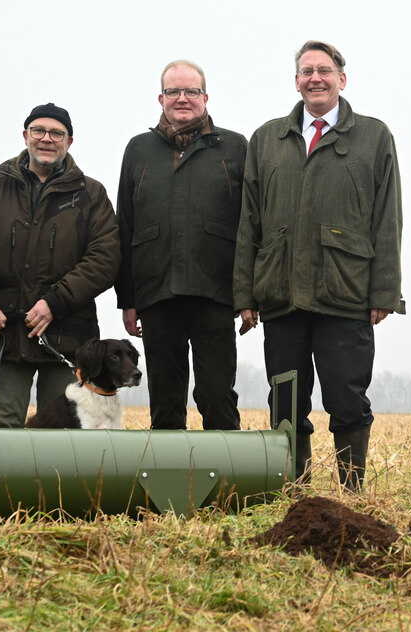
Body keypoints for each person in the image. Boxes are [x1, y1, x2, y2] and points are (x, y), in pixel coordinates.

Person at [234, 41, 404, 490]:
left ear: (341, 79)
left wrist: (384, 292)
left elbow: (388, 218)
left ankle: (352, 489)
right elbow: (249, 220)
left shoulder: (373, 136)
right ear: (296, 81)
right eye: (306, 71)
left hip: (345, 293)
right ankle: (296, 487)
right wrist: (245, 295)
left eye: (324, 70)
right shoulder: (266, 138)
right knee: (286, 399)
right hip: (281, 294)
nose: (315, 78)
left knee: (347, 396)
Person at [0, 103, 120, 428]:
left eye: (56, 133)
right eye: (39, 131)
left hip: (69, 336)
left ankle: (55, 484)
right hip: (4, 332)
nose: (47, 139)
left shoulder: (91, 195)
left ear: (69, 141)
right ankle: (4, 483)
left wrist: (55, 302)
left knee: (63, 434)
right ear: (25, 136)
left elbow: (106, 258)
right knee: (3, 430)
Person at [115, 60, 246, 431]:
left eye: (191, 91)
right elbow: (125, 224)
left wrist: (248, 293)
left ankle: (226, 481)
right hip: (157, 292)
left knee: (217, 394)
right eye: (174, 91)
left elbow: (252, 224)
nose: (183, 98)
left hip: (216, 292)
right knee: (166, 397)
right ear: (161, 98)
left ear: (206, 97)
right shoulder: (138, 149)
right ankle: (169, 484)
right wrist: (128, 298)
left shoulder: (234, 147)